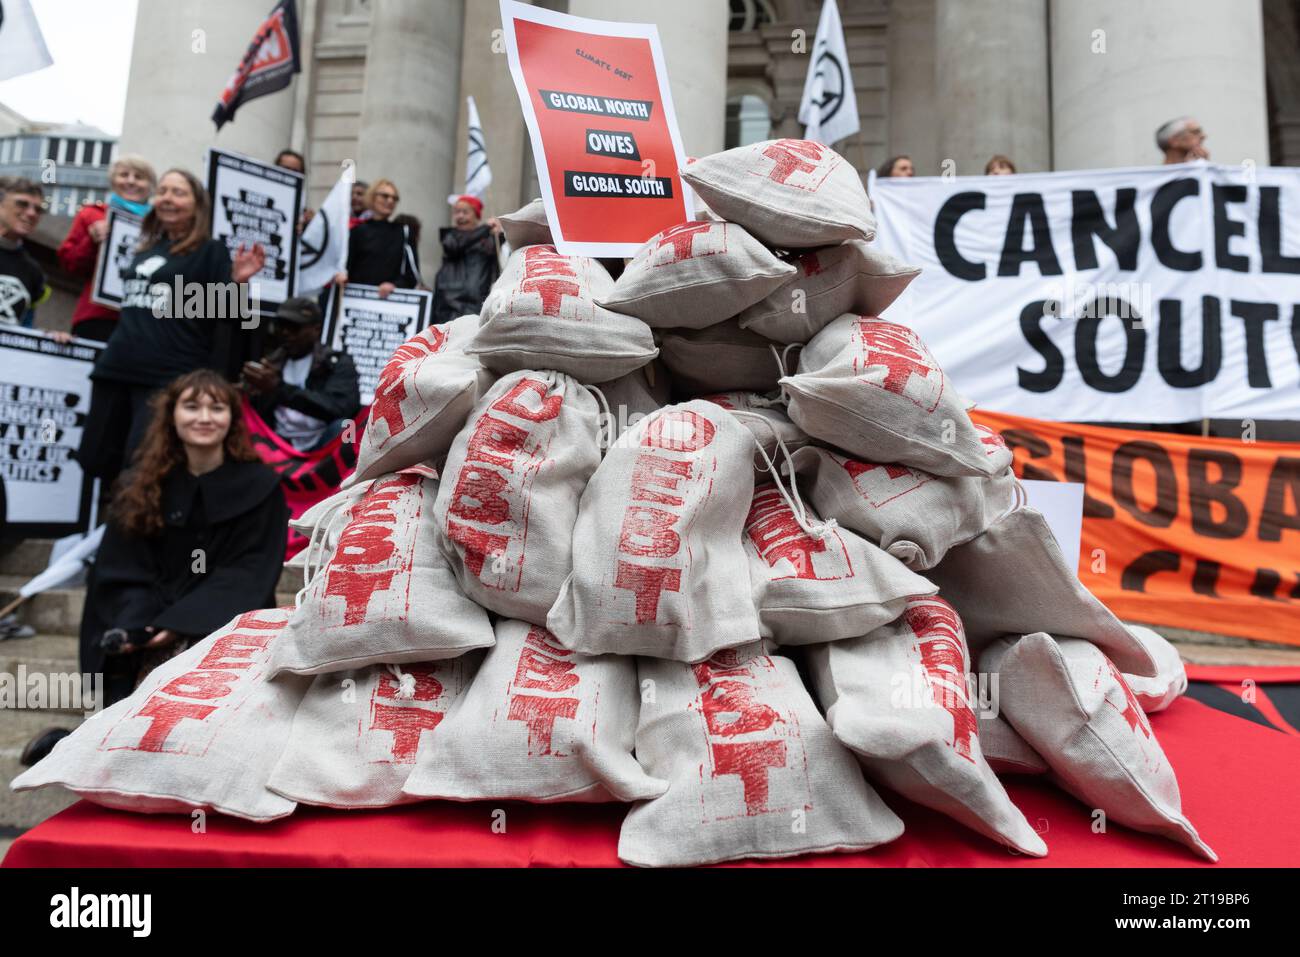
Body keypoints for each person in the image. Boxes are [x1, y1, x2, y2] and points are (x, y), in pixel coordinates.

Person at [20, 369, 289, 763]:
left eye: (217, 408)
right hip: (148, 611)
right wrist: (142, 624)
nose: (204, 417)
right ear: (172, 416)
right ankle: (97, 737)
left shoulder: (260, 486)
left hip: (221, 615)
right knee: (125, 655)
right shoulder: (140, 483)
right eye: (192, 406)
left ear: (232, 419)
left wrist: (181, 623)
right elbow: (121, 565)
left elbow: (249, 569)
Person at [77, 168, 266, 487]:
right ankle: (109, 528)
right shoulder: (146, 249)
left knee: (144, 466)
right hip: (116, 367)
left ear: (197, 205)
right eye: (163, 191)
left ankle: (132, 530)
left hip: (166, 374)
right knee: (96, 457)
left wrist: (236, 283)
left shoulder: (211, 250)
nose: (167, 198)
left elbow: (227, 315)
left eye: (178, 192)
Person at [56, 155, 157, 343]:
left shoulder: (160, 226)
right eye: (124, 175)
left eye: (139, 176)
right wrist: (91, 240)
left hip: (145, 319)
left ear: (150, 186)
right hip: (98, 316)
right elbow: (69, 264)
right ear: (113, 181)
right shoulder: (93, 214)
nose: (131, 181)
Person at [243, 296, 361, 451]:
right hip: (277, 443)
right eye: (280, 326)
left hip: (322, 445)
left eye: (294, 327)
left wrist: (279, 388)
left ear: (316, 329)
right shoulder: (272, 362)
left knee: (346, 427)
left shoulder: (336, 363)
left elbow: (341, 408)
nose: (285, 333)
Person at [335, 179, 420, 297]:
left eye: (394, 198)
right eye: (385, 196)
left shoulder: (403, 232)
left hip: (390, 305)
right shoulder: (356, 232)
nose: (390, 201)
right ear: (372, 198)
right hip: (358, 302)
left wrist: (394, 285)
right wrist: (341, 276)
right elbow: (344, 268)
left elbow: (413, 276)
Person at [432, 194, 501, 324]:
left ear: (476, 215)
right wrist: (485, 228)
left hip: (476, 305)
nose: (460, 216)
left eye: (465, 212)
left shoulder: (488, 239)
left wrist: (500, 235)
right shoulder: (449, 236)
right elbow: (455, 246)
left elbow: (498, 262)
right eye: (457, 212)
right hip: (448, 305)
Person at [0, 178, 48, 327]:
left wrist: (51, 340)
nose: (32, 213)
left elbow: (26, 328)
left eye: (38, 209)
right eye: (22, 204)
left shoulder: (34, 271)